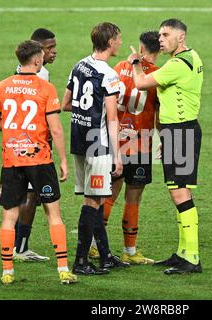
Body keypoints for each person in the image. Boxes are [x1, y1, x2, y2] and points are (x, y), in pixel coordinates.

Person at [0, 40, 77, 284]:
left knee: (8, 217)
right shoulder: (46, 88)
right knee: (53, 214)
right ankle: (63, 269)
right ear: (37, 60)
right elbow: (56, 130)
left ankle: (7, 272)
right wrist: (63, 161)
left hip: (12, 160)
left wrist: (14, 132)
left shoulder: (2, 86)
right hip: (40, 160)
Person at [128, 18, 203, 275]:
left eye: (166, 34)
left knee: (180, 193)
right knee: (178, 192)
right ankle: (183, 253)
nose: (161, 39)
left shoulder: (177, 65)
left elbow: (140, 83)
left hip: (181, 131)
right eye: (160, 35)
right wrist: (165, 137)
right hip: (177, 131)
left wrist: (136, 63)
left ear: (180, 37)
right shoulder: (193, 56)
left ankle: (192, 257)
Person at [61, 22, 129, 275]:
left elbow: (66, 103)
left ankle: (105, 255)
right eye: (119, 38)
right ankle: (80, 262)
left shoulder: (78, 65)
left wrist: (86, 113)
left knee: (97, 198)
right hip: (98, 144)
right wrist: (117, 156)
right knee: (93, 199)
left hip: (79, 138)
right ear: (110, 42)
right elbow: (112, 118)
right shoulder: (109, 74)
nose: (120, 42)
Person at [89, 31, 160, 265]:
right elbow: (159, 112)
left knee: (108, 195)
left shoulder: (118, 66)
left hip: (116, 140)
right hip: (141, 142)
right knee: (133, 198)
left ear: (140, 48)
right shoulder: (158, 76)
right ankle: (130, 251)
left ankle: (93, 246)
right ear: (159, 49)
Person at [13, 28, 58, 262]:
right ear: (38, 51)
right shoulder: (40, 76)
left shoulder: (19, 73)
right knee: (32, 195)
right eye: (50, 48)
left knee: (23, 195)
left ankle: (16, 246)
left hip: (16, 144)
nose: (54, 52)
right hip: (35, 147)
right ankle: (20, 248)